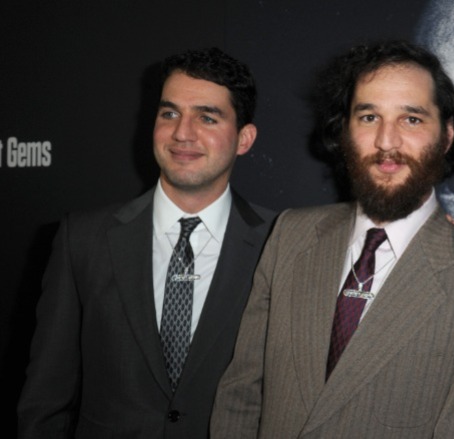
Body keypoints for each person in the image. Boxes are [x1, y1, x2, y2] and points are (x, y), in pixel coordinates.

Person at [210, 39, 454, 438]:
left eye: (411, 119)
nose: (386, 142)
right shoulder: (290, 234)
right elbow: (240, 395)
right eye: (368, 117)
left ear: (446, 136)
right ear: (344, 131)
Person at [17, 47, 275, 439]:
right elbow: (45, 401)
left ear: (244, 138)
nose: (182, 132)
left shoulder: (281, 242)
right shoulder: (83, 239)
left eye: (206, 117)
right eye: (169, 113)